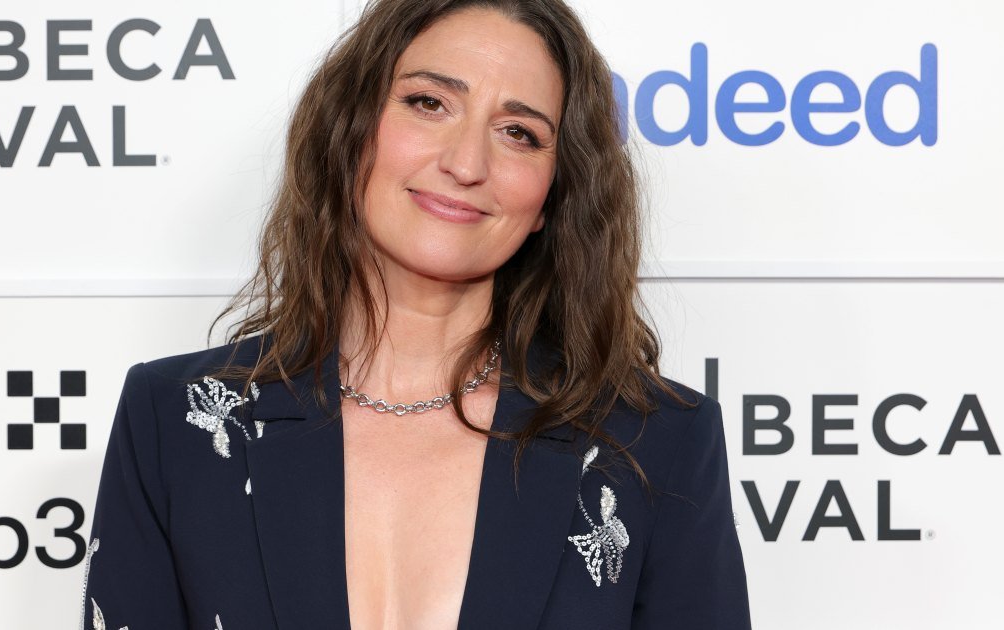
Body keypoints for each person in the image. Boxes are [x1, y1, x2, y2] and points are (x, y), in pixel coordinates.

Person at [80, 0, 752, 628]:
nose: (466, 163)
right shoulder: (174, 421)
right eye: (429, 103)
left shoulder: (656, 442)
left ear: (551, 196)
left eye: (519, 133)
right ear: (351, 129)